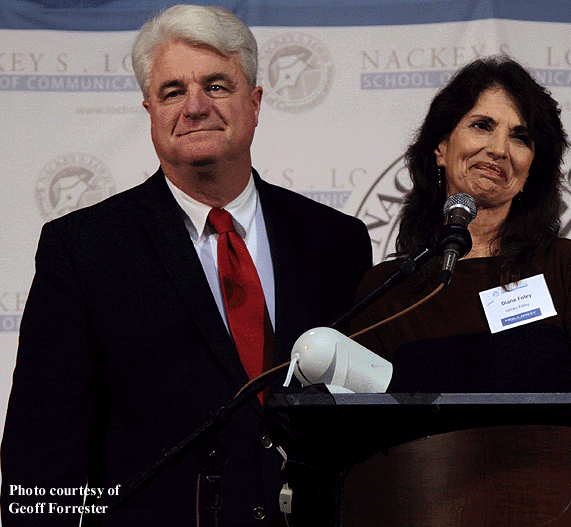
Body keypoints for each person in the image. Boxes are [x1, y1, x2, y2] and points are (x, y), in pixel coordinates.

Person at [1, 5, 372, 527]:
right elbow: (40, 459)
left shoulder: (336, 242)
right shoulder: (83, 250)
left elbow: (361, 428)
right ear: (149, 109)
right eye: (173, 91)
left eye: (217, 86)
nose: (195, 106)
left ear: (256, 102)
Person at [351, 56, 571, 393]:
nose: (499, 149)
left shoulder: (564, 267)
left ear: (531, 171)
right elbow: (359, 429)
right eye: (482, 125)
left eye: (520, 137)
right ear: (441, 147)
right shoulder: (386, 291)